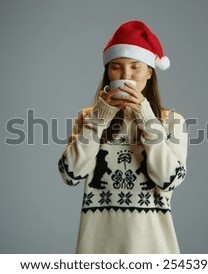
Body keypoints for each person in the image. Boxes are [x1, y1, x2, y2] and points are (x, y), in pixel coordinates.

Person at [58, 20, 188, 254]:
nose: (126, 75)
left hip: (154, 248)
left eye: (135, 67)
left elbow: (169, 180)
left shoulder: (172, 121)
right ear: (108, 72)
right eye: (116, 66)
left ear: (149, 71)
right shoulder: (88, 117)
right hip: (97, 248)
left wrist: (146, 117)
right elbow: (70, 174)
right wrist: (101, 117)